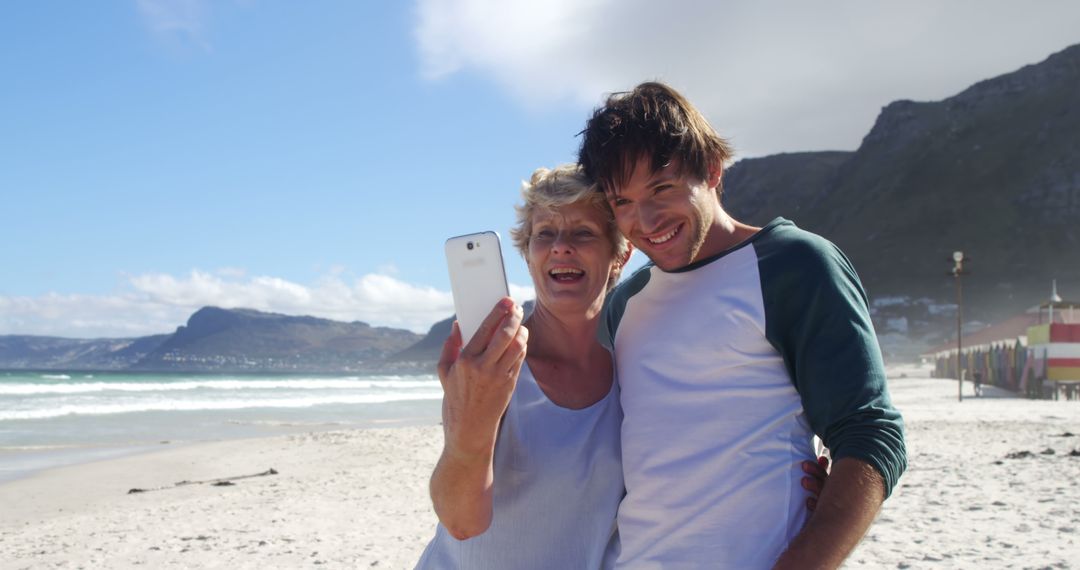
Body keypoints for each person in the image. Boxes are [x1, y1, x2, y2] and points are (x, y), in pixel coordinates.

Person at [415, 165, 827, 569]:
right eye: (545, 234)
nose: (561, 246)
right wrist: (470, 419)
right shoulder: (495, 368)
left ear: (621, 253)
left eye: (583, 233)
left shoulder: (633, 372)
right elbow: (461, 522)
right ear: (528, 253)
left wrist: (794, 481)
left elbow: (695, 460)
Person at [578, 82, 907, 569]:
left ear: (711, 170)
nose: (644, 220)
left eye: (662, 188)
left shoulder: (792, 264)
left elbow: (870, 431)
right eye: (621, 202)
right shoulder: (624, 302)